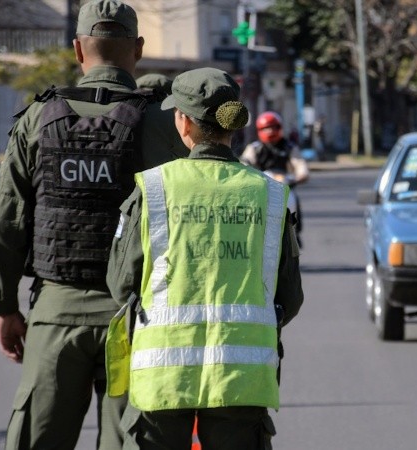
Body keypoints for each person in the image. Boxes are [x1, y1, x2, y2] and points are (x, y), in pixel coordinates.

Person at [0, 1, 188, 448]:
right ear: (138, 48)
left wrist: (4, 305)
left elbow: (6, 221)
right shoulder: (166, 125)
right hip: (139, 319)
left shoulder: (38, 118)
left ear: (78, 49)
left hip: (56, 315)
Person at [105, 67, 304, 449]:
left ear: (183, 121)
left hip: (162, 377)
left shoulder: (154, 189)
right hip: (241, 378)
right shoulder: (269, 194)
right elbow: (290, 299)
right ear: (232, 125)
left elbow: (120, 285)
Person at [241, 111, 309, 245]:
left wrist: (297, 177)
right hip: (260, 188)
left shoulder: (289, 147)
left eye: (273, 127)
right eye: (266, 128)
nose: (270, 131)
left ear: (279, 128)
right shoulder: (254, 148)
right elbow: (244, 164)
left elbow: (301, 166)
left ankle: (294, 233)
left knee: (295, 200)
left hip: (284, 187)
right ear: (259, 130)